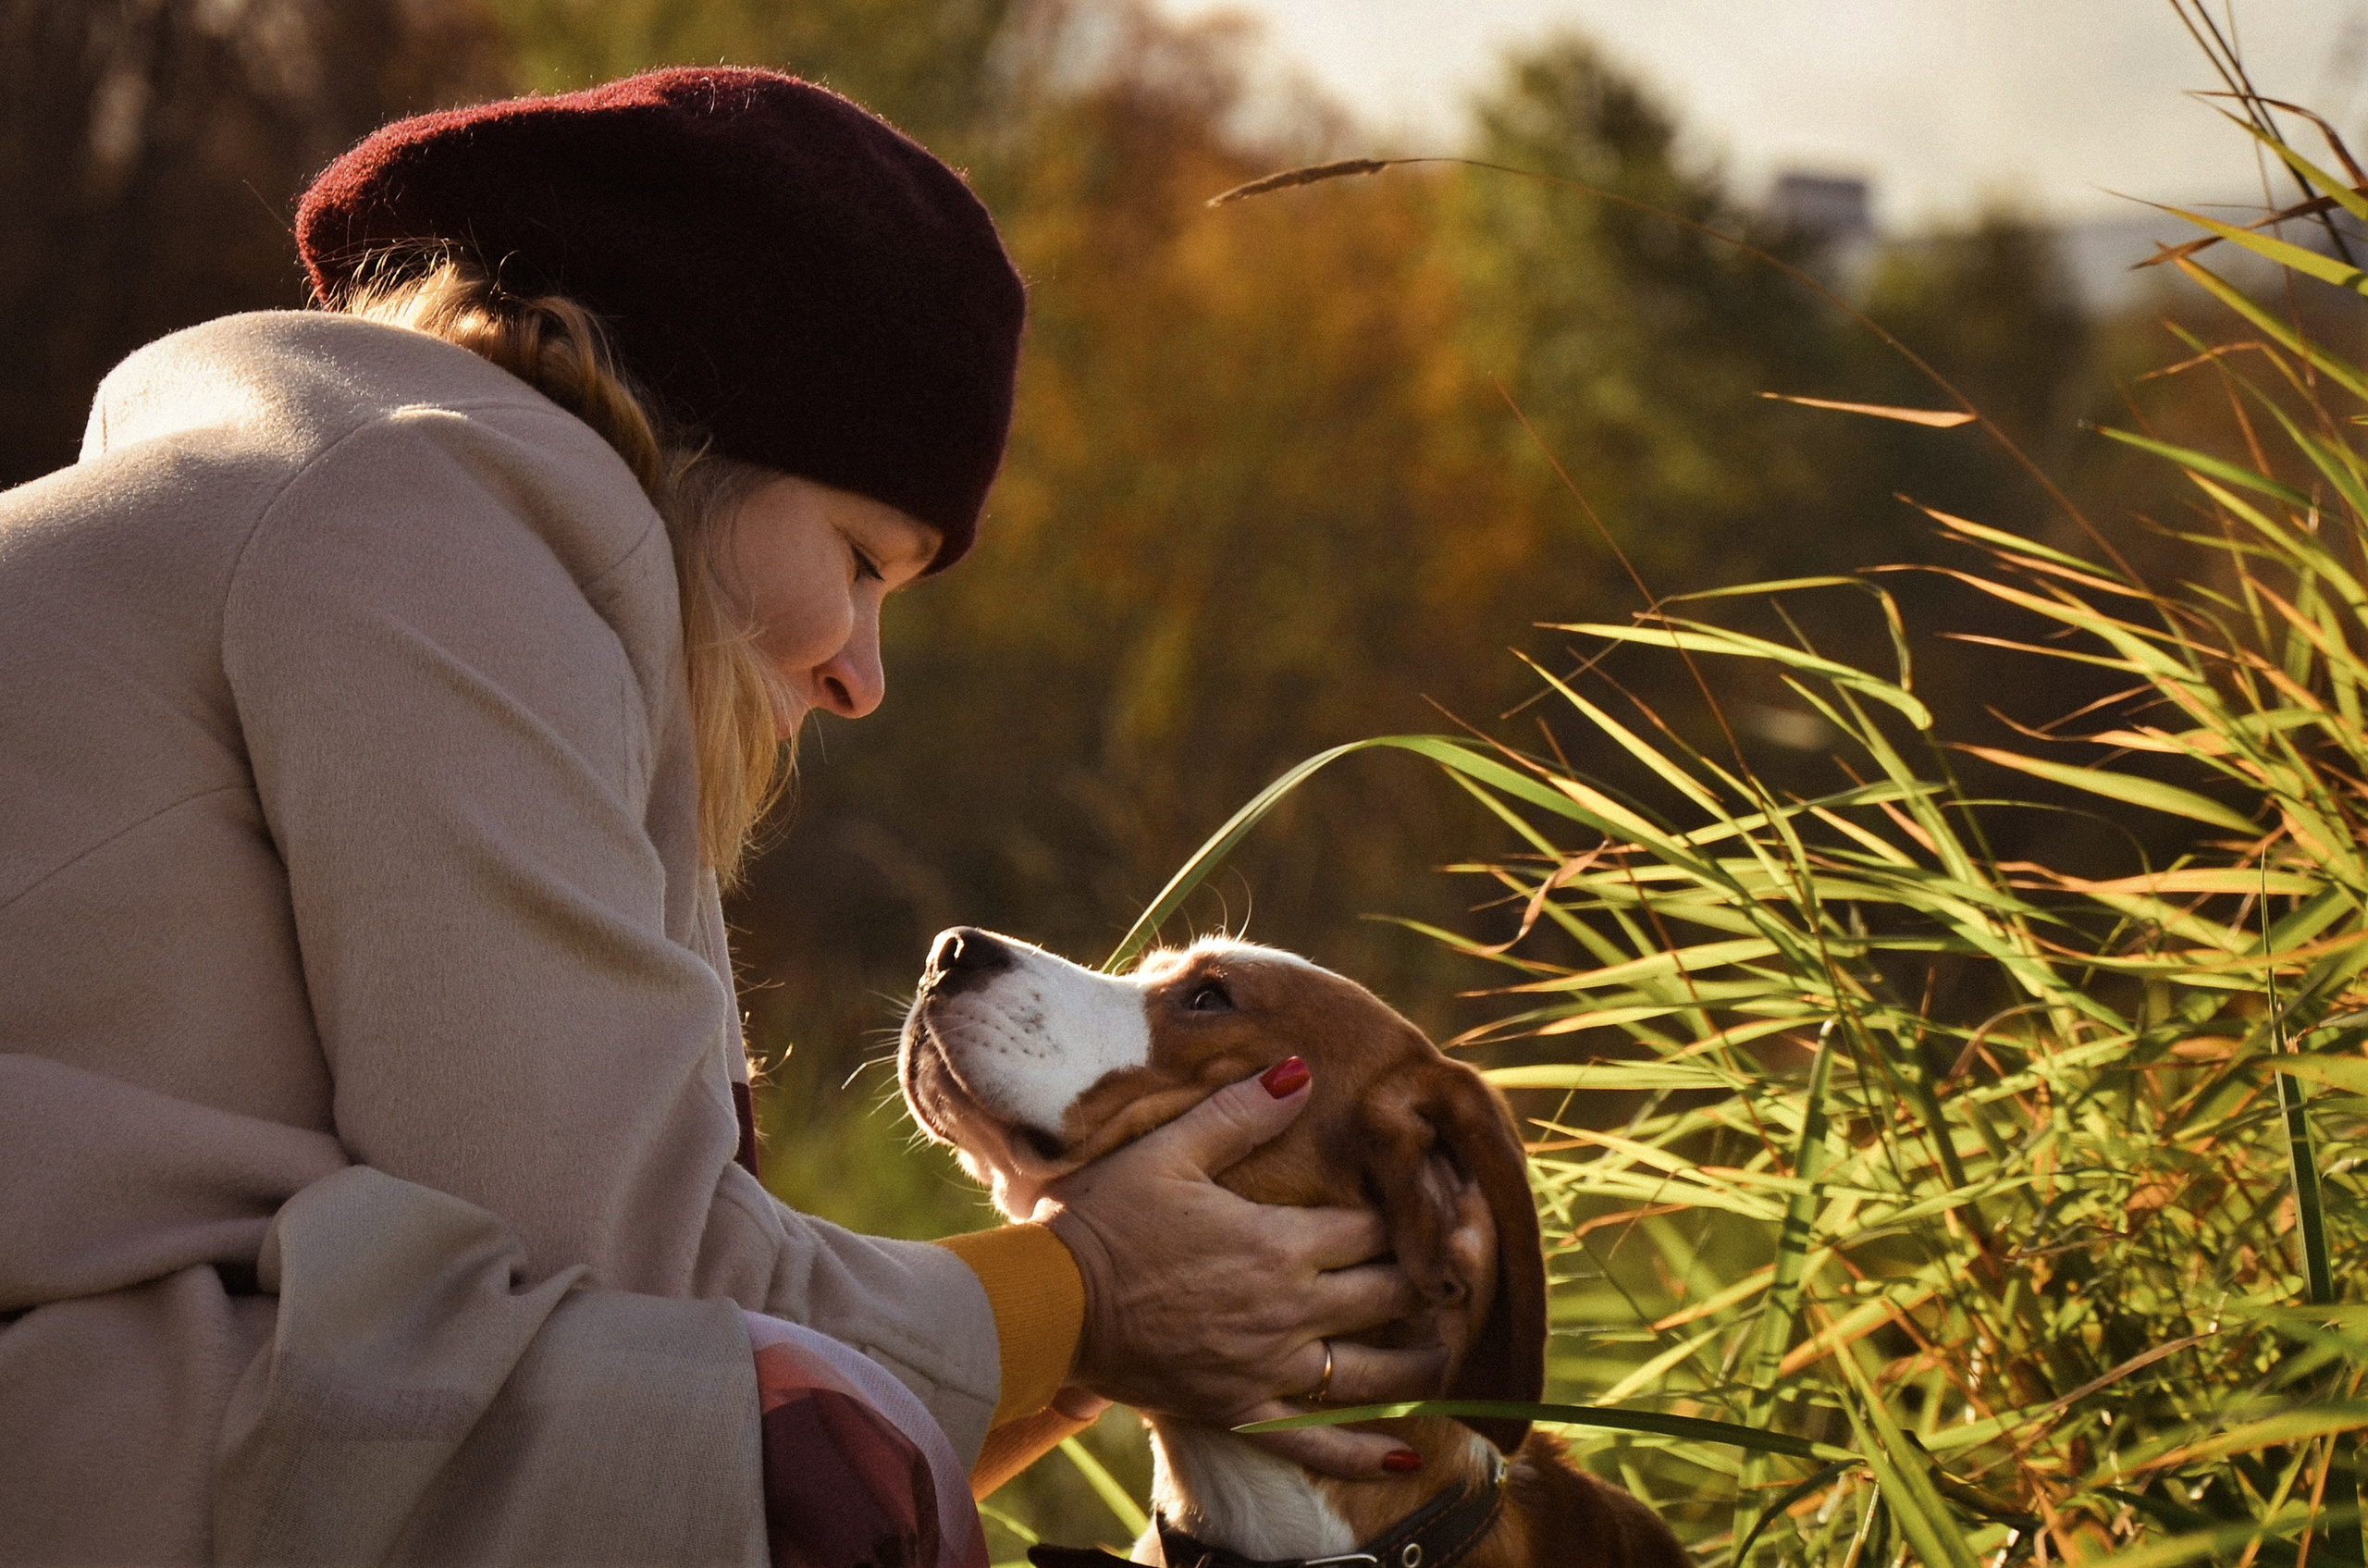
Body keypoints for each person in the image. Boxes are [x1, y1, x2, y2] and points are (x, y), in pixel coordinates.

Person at [0, 68, 1444, 1567]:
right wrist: (1100, 1298)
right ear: (700, 437)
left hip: (90, 1372)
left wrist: (1090, 1330)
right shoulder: (423, 536)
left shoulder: (363, 507)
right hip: (63, 1407)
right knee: (773, 1444)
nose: (860, 673)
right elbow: (636, 1279)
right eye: (865, 558)